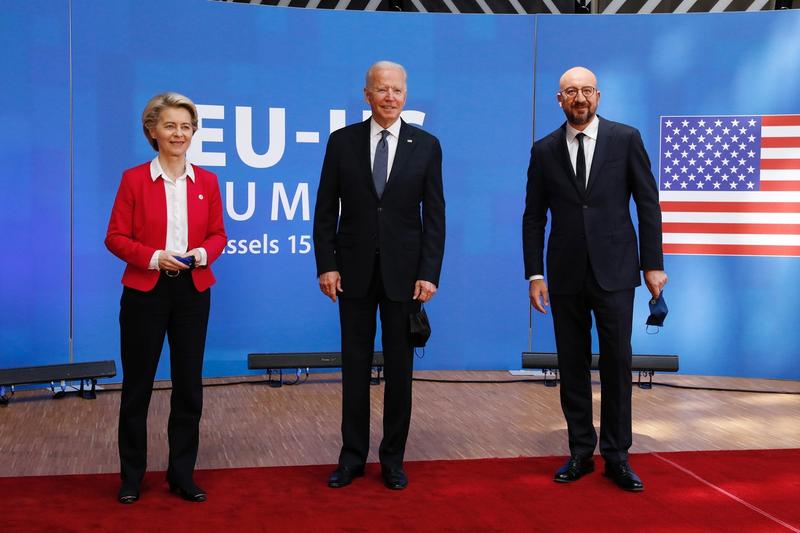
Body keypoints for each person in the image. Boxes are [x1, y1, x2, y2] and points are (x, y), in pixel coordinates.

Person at [522, 67, 667, 492]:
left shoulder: (626, 139)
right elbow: (534, 216)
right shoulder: (544, 149)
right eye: (571, 92)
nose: (579, 98)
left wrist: (652, 264)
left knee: (618, 362)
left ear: (598, 96)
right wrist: (535, 273)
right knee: (571, 364)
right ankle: (581, 452)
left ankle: (618, 456)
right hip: (564, 274)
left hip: (617, 271)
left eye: (586, 90)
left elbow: (647, 203)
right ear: (559, 99)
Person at [313, 61, 445, 491]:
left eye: (397, 90)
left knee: (400, 373)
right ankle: (351, 458)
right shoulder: (341, 142)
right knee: (353, 370)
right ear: (366, 94)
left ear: (406, 95)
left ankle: (393, 459)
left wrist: (429, 272)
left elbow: (435, 217)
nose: (390, 97)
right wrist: (327, 264)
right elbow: (324, 212)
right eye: (381, 89)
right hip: (351, 275)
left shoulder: (426, 145)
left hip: (405, 279)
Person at [105, 92, 227, 504]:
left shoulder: (207, 181)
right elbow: (115, 237)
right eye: (170, 125)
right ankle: (132, 478)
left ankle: (181, 474)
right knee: (137, 387)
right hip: (145, 292)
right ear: (152, 131)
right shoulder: (133, 179)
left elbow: (218, 235)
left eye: (186, 126)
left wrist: (202, 254)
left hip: (193, 292)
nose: (179, 133)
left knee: (189, 386)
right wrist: (154, 258)